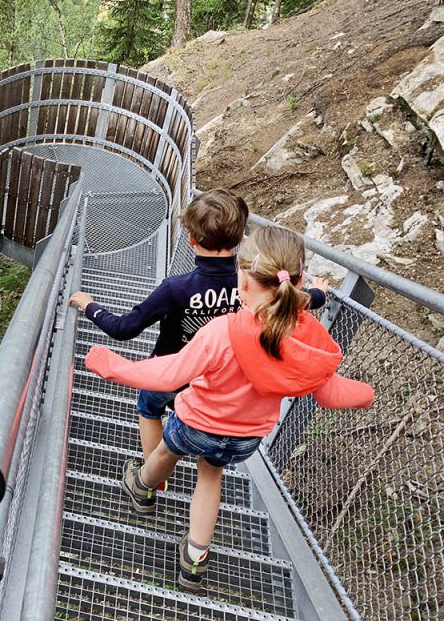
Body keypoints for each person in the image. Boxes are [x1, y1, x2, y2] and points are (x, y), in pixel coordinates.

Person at [84, 225, 374, 591]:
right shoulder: (303, 337)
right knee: (210, 477)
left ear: (245, 279)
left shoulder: (223, 331)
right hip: (244, 437)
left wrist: (114, 366)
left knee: (165, 450)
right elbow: (330, 393)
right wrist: (366, 394)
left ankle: (142, 487)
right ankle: (194, 559)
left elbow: (170, 372)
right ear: (297, 281)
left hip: (196, 422)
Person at [69, 189, 329, 465]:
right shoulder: (258, 283)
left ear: (191, 239)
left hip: (172, 370)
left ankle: (150, 479)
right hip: (218, 382)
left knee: (148, 408)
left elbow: (124, 329)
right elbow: (297, 300)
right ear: (241, 239)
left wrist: (91, 307)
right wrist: (319, 294)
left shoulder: (175, 289)